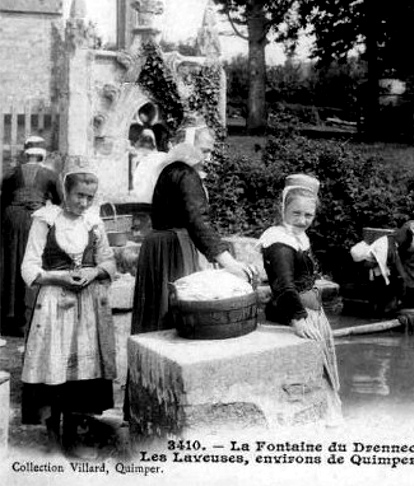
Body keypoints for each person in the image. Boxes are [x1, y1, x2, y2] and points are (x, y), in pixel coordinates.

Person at [20, 168, 117, 456]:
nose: (84, 203)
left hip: (87, 306)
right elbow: (28, 268)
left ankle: (77, 436)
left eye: (90, 197)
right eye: (79, 196)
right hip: (53, 305)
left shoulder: (93, 222)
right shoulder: (46, 221)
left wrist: (95, 271)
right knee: (52, 369)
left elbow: (110, 262)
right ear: (66, 192)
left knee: (83, 375)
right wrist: (57, 277)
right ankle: (52, 438)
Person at [130, 123, 255, 335]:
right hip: (173, 250)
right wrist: (228, 262)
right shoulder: (185, 174)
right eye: (204, 150)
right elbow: (198, 220)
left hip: (159, 247)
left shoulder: (170, 170)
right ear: (187, 144)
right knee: (176, 314)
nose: (208, 157)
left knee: (158, 316)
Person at [257, 173, 342, 425]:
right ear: (283, 209)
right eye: (296, 214)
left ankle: (328, 414)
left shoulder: (296, 236)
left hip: (311, 309)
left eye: (309, 215)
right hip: (298, 311)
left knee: (324, 369)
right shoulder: (279, 241)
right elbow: (283, 284)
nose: (303, 220)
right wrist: (299, 319)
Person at [1, 136, 63, 336]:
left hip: (11, 219)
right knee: (32, 261)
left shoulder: (10, 174)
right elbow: (60, 202)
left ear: (25, 153)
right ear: (42, 155)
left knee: (10, 264)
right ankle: (28, 317)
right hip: (34, 219)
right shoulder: (50, 175)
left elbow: (2, 201)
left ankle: (9, 319)